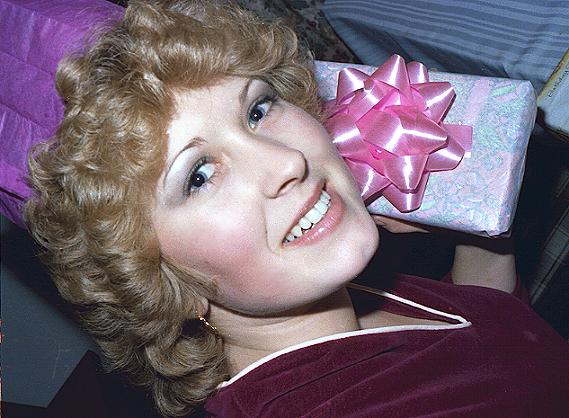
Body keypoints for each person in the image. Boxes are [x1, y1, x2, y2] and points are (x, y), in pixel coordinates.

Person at [24, 1, 569, 417]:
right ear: (155, 281)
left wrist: (478, 225)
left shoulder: (327, 299)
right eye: (199, 176)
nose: (287, 161)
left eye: (257, 109)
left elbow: (492, 341)